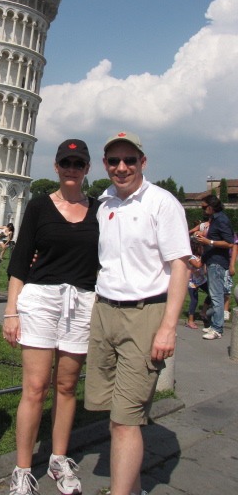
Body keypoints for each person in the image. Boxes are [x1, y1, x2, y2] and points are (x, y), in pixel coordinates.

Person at [84, 131, 191, 495]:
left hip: (145, 314)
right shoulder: (104, 203)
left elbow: (180, 266)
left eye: (130, 159)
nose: (122, 167)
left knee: (125, 421)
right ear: (105, 165)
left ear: (143, 162)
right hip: (105, 312)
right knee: (112, 415)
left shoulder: (162, 203)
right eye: (114, 161)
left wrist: (168, 328)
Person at [4, 139, 99, 495]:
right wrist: (11, 312)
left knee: (68, 385)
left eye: (78, 163)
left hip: (82, 302)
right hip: (41, 299)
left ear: (88, 169)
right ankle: (23, 468)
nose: (72, 168)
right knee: (35, 387)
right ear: (56, 167)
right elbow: (20, 261)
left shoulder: (99, 210)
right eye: (66, 162)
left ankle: (59, 459)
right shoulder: (39, 207)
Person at [195, 195, 235, 339]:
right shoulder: (215, 220)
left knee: (217, 296)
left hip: (218, 262)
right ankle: (214, 325)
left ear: (212, 207)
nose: (203, 210)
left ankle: (217, 328)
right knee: (214, 295)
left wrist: (208, 241)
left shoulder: (221, 220)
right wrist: (203, 235)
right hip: (212, 260)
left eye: (204, 207)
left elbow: (230, 242)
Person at [186, 239, 207, 329]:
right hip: (192, 282)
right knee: (194, 300)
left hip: (202, 280)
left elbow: (204, 269)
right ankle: (190, 320)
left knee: (212, 293)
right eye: (200, 247)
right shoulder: (190, 257)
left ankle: (203, 311)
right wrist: (205, 256)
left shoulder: (200, 256)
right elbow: (197, 265)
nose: (201, 248)